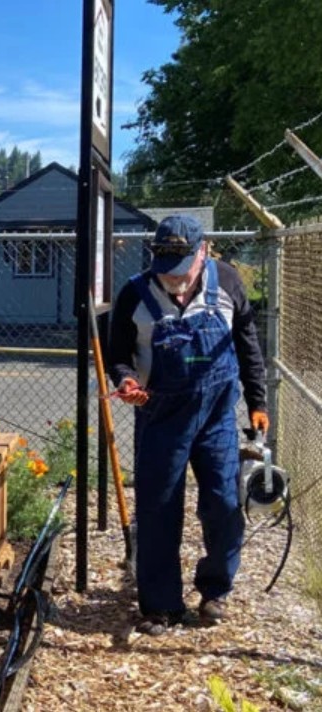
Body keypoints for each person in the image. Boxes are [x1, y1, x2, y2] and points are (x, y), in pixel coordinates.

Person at [108, 215, 268, 636]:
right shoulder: (134, 295)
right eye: (166, 269)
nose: (173, 280)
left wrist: (258, 400)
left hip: (217, 417)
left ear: (203, 253)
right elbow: (118, 355)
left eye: (182, 270)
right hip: (160, 417)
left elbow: (248, 345)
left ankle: (215, 590)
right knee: (158, 509)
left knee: (224, 504)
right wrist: (125, 380)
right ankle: (160, 606)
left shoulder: (229, 283)